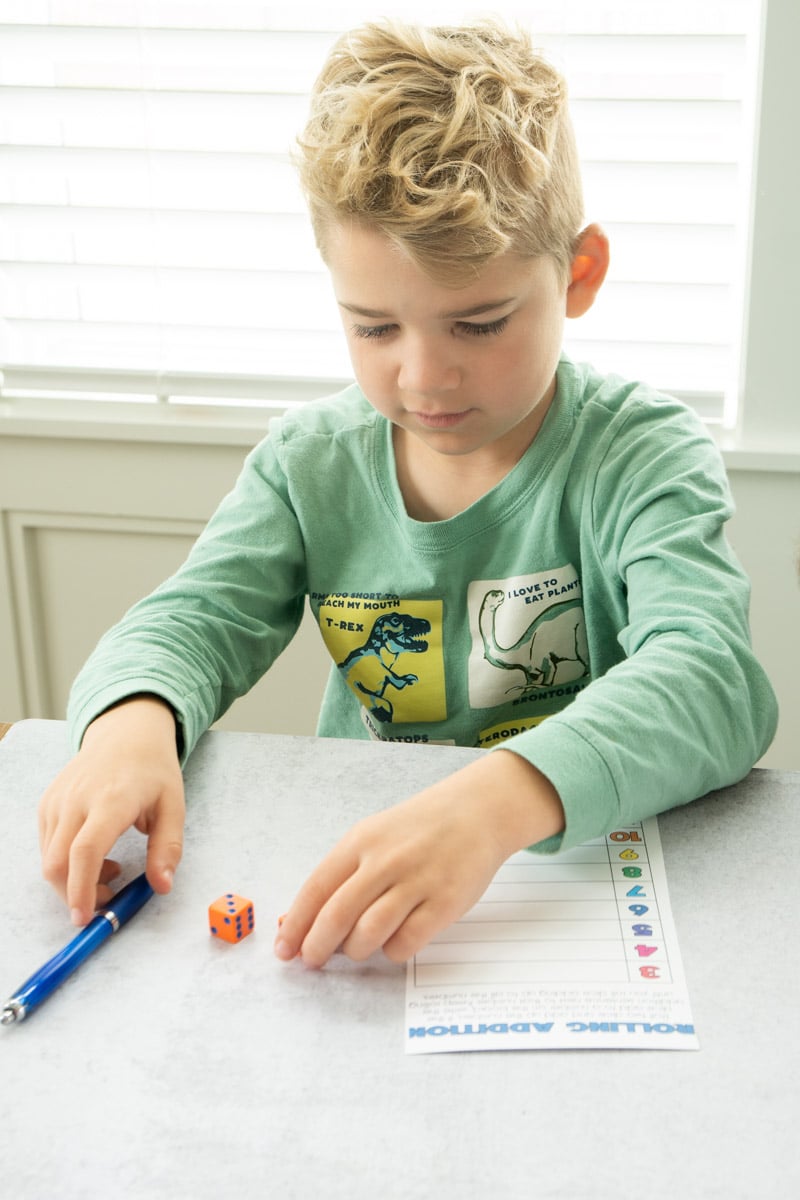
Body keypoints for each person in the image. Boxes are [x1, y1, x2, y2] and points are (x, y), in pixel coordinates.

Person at [38, 19, 777, 968]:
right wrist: (130, 720)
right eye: (374, 327)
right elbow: (192, 620)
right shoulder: (309, 464)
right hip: (379, 889)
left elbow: (712, 681)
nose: (425, 380)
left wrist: (499, 798)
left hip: (588, 879)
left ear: (578, 275)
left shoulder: (641, 456)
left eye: (478, 324)